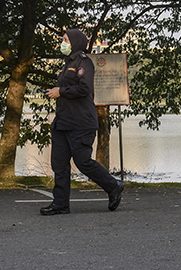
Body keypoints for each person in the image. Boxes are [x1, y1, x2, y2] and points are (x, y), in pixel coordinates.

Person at [40, 28, 125, 215]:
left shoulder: (84, 63)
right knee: (59, 164)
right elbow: (67, 88)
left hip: (81, 122)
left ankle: (113, 186)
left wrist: (61, 91)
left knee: (83, 161)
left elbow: (84, 88)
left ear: (75, 42)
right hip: (63, 122)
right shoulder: (66, 64)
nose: (62, 43)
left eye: (65, 40)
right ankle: (60, 204)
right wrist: (54, 91)